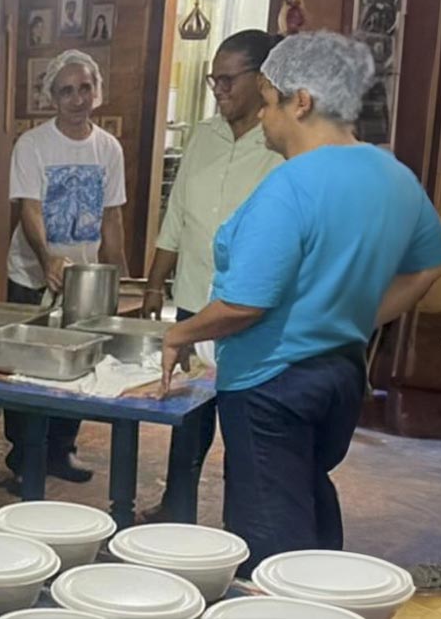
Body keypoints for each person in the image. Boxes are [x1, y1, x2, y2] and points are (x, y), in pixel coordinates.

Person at [160, 31, 441, 575]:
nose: (264, 119)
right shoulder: (392, 176)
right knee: (307, 494)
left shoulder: (290, 187)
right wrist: (360, 315)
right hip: (340, 374)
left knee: (270, 534)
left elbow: (244, 304)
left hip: (272, 383)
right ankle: (327, 591)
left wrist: (179, 333)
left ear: (302, 101)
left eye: (268, 103)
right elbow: (432, 265)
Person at [139, 30, 284, 522]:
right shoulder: (204, 136)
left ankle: (241, 522)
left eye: (227, 80)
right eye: (212, 79)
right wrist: (156, 283)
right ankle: (175, 506)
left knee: (243, 417)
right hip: (194, 297)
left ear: (263, 79)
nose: (218, 90)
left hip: (249, 308)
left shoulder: (281, 143)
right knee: (188, 416)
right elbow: (177, 212)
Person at [4, 49, 128, 486]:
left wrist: (120, 280)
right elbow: (30, 210)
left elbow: (112, 217)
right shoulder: (33, 145)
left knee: (76, 367)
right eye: (66, 91)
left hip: (84, 281)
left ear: (97, 92)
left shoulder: (108, 148)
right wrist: (47, 259)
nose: (77, 99)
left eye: (85, 89)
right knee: (27, 368)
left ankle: (60, 450)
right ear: (52, 97)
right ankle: (23, 455)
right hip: (31, 275)